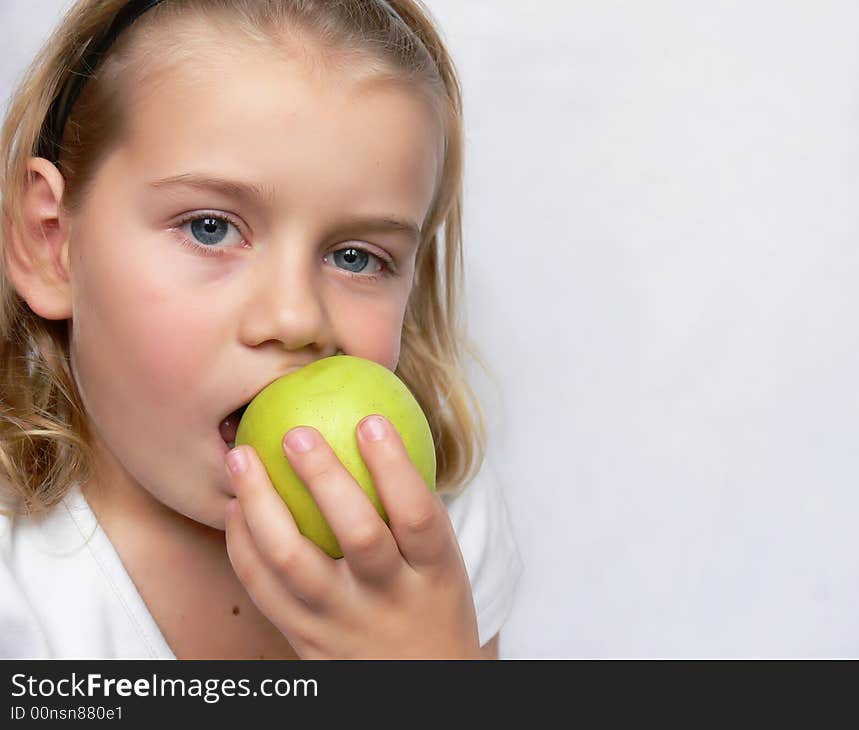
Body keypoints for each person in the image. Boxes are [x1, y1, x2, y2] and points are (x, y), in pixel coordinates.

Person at [0, 0, 521, 659]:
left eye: (356, 257)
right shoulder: (20, 597)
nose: (297, 318)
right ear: (52, 243)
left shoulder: (435, 529)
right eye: (210, 227)